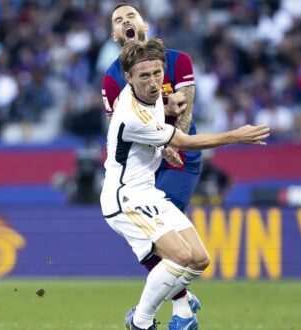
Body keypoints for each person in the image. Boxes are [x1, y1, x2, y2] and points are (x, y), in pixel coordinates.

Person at [100, 39, 268, 330]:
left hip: (147, 192)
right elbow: (185, 142)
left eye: (157, 73)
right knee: (180, 257)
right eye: (144, 76)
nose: (153, 82)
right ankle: (140, 322)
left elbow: (158, 110)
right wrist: (236, 136)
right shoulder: (130, 114)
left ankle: (178, 299)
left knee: (200, 259)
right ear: (128, 78)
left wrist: (168, 106)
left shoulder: (148, 95)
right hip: (124, 198)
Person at [102, 3, 202, 326]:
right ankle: (181, 304)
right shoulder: (112, 77)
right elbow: (120, 126)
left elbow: (185, 106)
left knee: (167, 238)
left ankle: (177, 305)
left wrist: (176, 143)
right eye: (118, 20)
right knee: (157, 239)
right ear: (114, 34)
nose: (126, 21)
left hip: (179, 159)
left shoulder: (176, 59)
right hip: (144, 161)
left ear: (143, 22)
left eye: (130, 15)